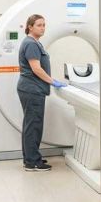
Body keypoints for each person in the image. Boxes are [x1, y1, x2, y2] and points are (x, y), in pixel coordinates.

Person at [17, 14, 67, 171]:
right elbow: (36, 69)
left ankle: (30, 158)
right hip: (32, 90)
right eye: (39, 25)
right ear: (30, 27)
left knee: (31, 125)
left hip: (31, 89)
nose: (43, 28)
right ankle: (33, 162)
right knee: (34, 126)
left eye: (44, 25)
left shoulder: (34, 43)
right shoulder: (31, 44)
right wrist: (53, 81)